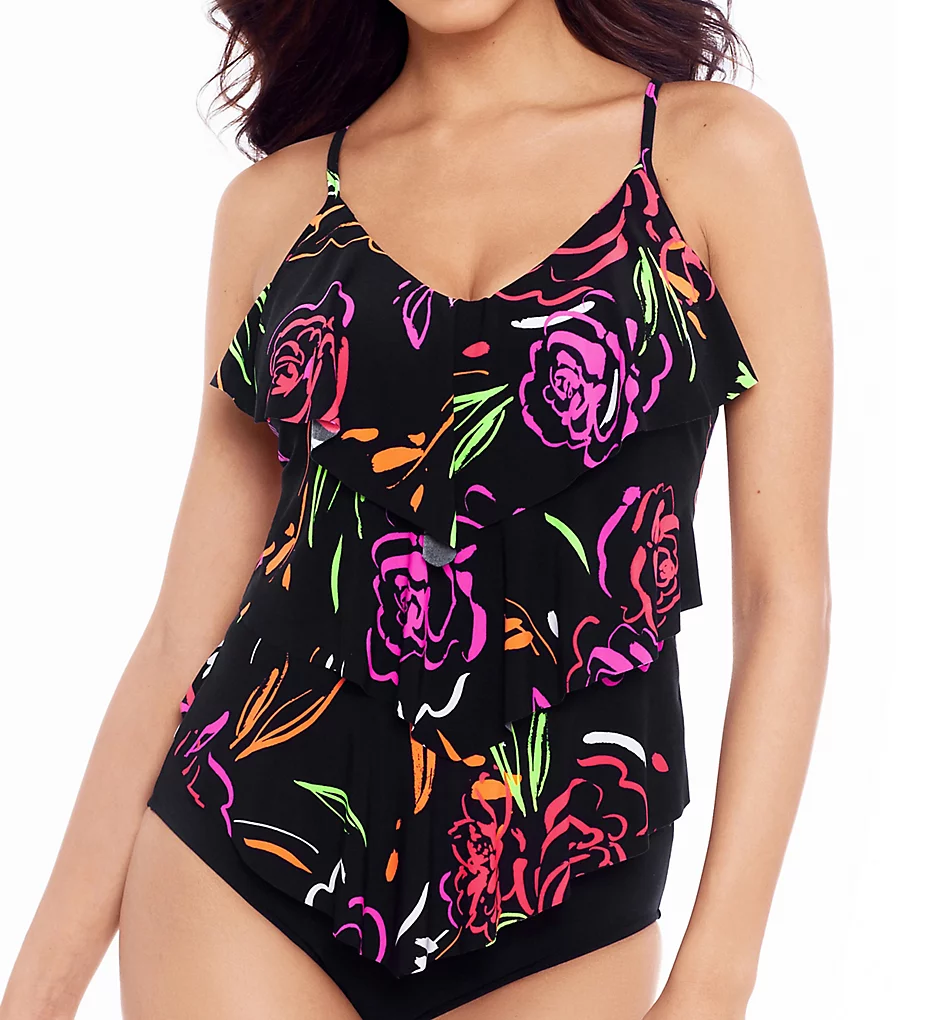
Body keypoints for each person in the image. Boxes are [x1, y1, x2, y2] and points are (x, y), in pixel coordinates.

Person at [0, 1, 832, 1018]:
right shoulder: (276, 206)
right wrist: (34, 996)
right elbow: (184, 629)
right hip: (244, 858)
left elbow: (782, 595)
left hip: (562, 890)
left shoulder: (712, 156)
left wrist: (712, 983)